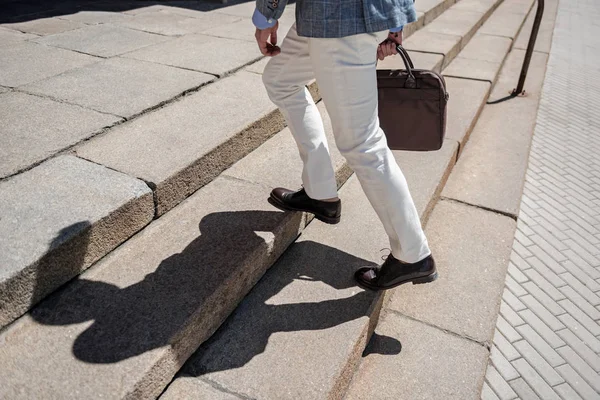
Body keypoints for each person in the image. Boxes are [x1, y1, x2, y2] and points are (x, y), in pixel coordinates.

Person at [253, 0, 437, 290]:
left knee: (362, 142)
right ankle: (320, 191)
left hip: (337, 18)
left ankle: (413, 253)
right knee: (280, 79)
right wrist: (394, 18)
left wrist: (266, 14)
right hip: (330, 14)